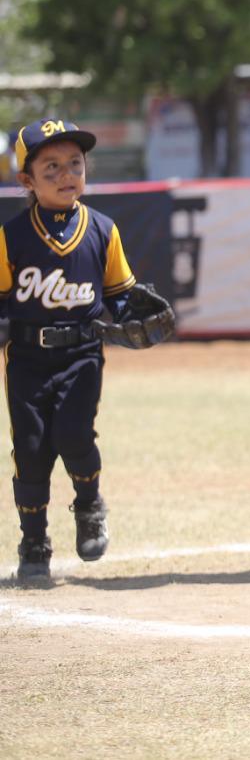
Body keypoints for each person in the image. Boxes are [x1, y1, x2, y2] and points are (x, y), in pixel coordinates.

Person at [3, 121, 135, 584]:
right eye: (51, 167)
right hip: (27, 361)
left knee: (75, 435)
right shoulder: (12, 236)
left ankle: (88, 504)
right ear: (26, 181)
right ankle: (34, 541)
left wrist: (132, 312)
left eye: (74, 164)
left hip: (82, 355)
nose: (66, 175)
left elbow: (120, 292)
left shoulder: (103, 229)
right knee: (32, 449)